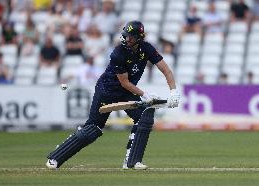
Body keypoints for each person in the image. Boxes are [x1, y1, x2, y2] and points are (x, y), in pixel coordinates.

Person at [46, 21, 181, 169]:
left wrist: (173, 91)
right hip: (106, 90)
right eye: (126, 36)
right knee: (93, 129)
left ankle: (132, 162)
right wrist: (145, 94)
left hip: (126, 92)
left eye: (131, 37)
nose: (127, 39)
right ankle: (55, 158)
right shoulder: (118, 53)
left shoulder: (147, 48)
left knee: (145, 116)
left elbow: (166, 70)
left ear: (139, 38)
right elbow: (124, 82)